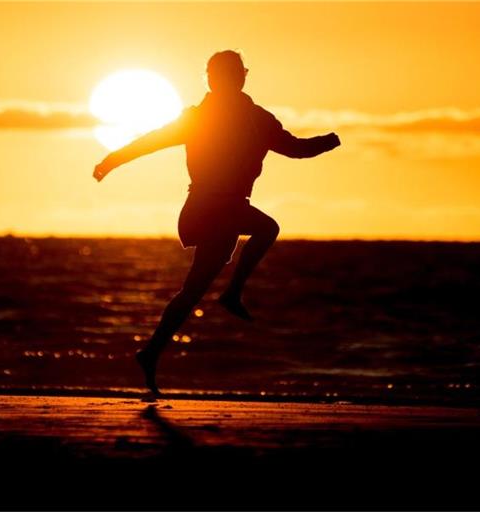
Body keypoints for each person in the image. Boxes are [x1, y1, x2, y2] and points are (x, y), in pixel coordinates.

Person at [93, 50, 341, 395]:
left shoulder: (258, 119)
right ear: (209, 79)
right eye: (219, 75)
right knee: (268, 228)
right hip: (207, 206)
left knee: (192, 291)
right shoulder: (197, 118)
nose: (226, 80)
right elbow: (150, 142)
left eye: (233, 74)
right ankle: (233, 293)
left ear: (243, 77)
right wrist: (111, 160)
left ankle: (150, 353)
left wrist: (328, 141)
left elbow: (295, 148)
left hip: (230, 210)